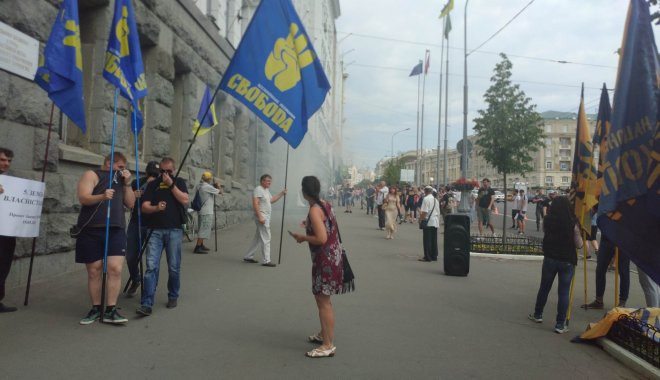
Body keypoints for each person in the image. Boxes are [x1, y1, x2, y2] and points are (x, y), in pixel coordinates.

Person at [75, 152, 135, 324]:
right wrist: (102, 196)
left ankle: (111, 309)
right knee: (94, 270)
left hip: (115, 229)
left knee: (115, 268)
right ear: (109, 163)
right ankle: (95, 307)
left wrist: (128, 184)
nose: (123, 170)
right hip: (92, 229)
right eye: (120, 167)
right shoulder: (92, 174)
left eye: (124, 168)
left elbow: (130, 204)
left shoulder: (122, 181)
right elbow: (83, 198)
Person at [289, 176, 346, 358]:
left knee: (323, 302)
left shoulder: (314, 210)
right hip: (333, 257)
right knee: (324, 300)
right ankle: (324, 334)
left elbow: (321, 238)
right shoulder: (325, 204)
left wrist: (303, 237)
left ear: (304, 192)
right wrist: (309, 225)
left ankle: (327, 344)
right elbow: (327, 225)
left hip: (325, 260)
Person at [137, 157, 189, 316]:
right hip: (155, 231)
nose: (165, 174)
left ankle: (173, 295)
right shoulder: (153, 184)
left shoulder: (178, 182)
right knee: (151, 267)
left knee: (174, 266)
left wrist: (171, 185)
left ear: (173, 170)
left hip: (174, 230)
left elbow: (185, 200)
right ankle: (147, 303)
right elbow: (144, 207)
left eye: (168, 171)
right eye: (162, 171)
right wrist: (156, 208)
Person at [529, 196, 583, 334]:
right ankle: (560, 324)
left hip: (550, 258)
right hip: (567, 261)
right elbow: (579, 244)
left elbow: (545, 233)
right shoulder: (573, 223)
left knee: (544, 287)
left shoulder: (548, 220)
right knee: (563, 292)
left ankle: (538, 314)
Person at [124, 160, 160, 297]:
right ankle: (135, 279)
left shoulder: (162, 184)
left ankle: (150, 289)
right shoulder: (137, 183)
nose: (152, 177)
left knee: (152, 260)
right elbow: (129, 204)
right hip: (136, 223)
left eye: (155, 174)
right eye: (151, 173)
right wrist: (134, 195)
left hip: (154, 225)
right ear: (146, 172)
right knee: (131, 256)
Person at [243, 174, 286, 267]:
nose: (269, 182)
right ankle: (266, 260)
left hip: (265, 216)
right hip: (262, 216)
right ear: (262, 181)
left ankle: (248, 256)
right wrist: (260, 216)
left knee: (258, 238)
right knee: (266, 237)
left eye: (270, 181)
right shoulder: (258, 189)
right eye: (267, 181)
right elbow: (255, 203)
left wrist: (281, 193)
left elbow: (271, 200)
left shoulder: (265, 190)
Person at [581, 236, 630, 309]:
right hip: (607, 238)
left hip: (623, 239)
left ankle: (622, 302)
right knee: (600, 269)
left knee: (624, 271)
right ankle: (599, 300)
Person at [0, 147, 18, 313]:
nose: (6, 163)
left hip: (6, 232)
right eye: (2, 160)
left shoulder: (12, 179)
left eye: (9, 161)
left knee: (3, 265)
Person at [194, 171, 223, 254]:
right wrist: (218, 186)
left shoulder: (199, 185)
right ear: (209, 179)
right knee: (203, 229)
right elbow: (220, 192)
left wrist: (214, 186)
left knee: (201, 228)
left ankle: (201, 244)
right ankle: (198, 247)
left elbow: (209, 189)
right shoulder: (207, 186)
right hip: (207, 211)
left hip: (201, 210)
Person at [418, 186, 440, 262]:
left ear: (425, 191)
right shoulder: (435, 199)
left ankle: (427, 257)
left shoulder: (426, 199)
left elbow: (424, 212)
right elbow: (438, 212)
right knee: (434, 240)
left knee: (427, 240)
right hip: (435, 221)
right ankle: (434, 256)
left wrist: (420, 219)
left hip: (428, 221)